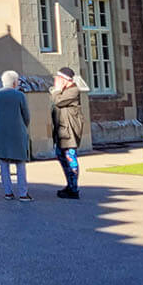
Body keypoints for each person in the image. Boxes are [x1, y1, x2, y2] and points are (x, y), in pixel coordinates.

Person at [0, 70, 32, 201]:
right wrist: (23, 126)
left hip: (2, 132)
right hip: (17, 132)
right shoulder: (19, 95)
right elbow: (26, 115)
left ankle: (8, 192)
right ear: (15, 82)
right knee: (20, 163)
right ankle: (23, 193)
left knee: (4, 163)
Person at [51, 67, 85, 199]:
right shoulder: (64, 91)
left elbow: (57, 101)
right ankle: (70, 185)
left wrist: (57, 89)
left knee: (70, 158)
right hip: (62, 130)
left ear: (66, 80)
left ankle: (74, 189)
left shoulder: (73, 91)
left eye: (59, 79)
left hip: (69, 131)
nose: (57, 82)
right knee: (61, 156)